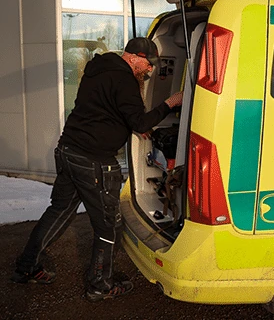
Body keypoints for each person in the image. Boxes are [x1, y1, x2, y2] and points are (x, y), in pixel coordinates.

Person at [10, 37, 183, 302]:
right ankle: (100, 285)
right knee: (108, 226)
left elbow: (109, 109)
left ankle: (26, 267)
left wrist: (132, 122)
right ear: (134, 57)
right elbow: (139, 121)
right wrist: (170, 102)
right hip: (93, 162)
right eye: (148, 64)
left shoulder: (98, 69)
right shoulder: (125, 80)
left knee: (58, 212)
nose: (150, 69)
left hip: (68, 150)